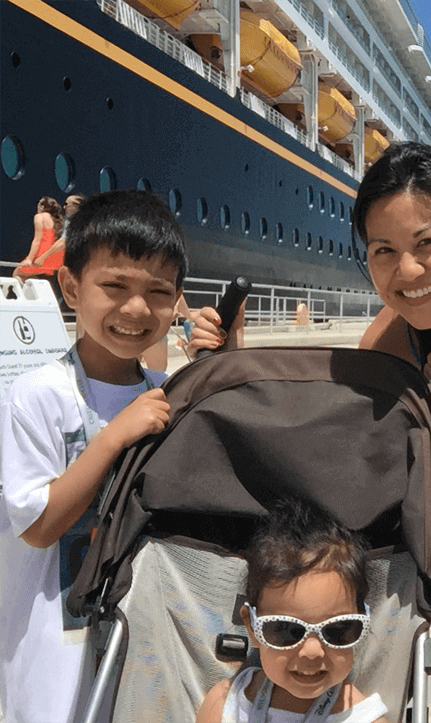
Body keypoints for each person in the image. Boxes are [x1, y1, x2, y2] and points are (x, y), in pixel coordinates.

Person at [188, 142, 431, 722]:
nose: (408, 271)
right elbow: (353, 402)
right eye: (383, 251)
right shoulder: (411, 314)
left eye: (427, 243)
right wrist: (231, 366)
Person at [0, 189, 187, 723]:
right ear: (71, 287)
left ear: (176, 300)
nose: (135, 308)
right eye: (114, 286)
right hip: (51, 642)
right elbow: (37, 527)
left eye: (157, 292)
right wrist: (111, 438)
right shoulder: (37, 394)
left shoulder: (168, 392)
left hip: (137, 629)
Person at [195, 496, 389, 723]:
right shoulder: (225, 703)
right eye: (285, 630)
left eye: (337, 629)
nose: (312, 651)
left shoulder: (364, 719)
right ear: (251, 627)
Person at [12, 196, 65, 280]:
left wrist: (29, 259)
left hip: (41, 255)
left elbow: (37, 240)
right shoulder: (55, 220)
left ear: (42, 207)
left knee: (17, 273)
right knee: (30, 277)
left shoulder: (40, 216)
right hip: (54, 258)